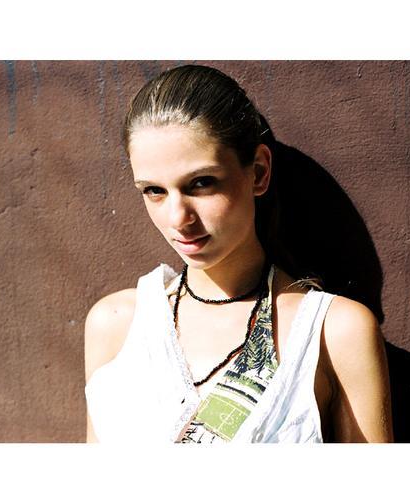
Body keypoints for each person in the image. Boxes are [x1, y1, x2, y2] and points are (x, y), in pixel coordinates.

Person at [84, 64, 393, 444]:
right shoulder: (116, 325)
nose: (178, 218)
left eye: (202, 183)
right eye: (154, 191)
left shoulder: (332, 331)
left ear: (258, 172)